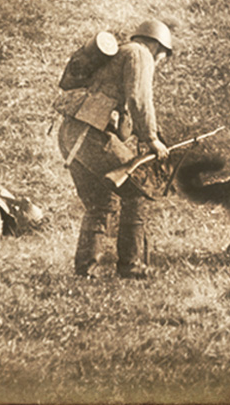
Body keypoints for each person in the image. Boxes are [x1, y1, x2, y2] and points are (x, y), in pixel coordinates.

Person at [55, 19, 173, 279]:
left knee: (100, 202)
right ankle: (132, 264)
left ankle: (87, 269)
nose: (161, 62)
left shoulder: (118, 54)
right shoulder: (139, 53)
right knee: (139, 188)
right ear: (157, 45)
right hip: (90, 133)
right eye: (163, 56)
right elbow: (138, 98)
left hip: (70, 133)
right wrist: (152, 138)